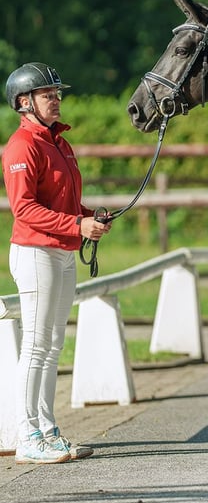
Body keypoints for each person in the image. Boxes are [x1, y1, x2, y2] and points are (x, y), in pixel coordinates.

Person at [2, 62, 111, 464]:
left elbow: (62, 202)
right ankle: (27, 434)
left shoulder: (59, 143)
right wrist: (76, 224)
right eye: (49, 95)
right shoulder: (22, 146)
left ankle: (47, 429)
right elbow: (24, 209)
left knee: (52, 347)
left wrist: (88, 217)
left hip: (63, 252)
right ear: (24, 102)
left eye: (57, 94)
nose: (57, 100)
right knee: (35, 345)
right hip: (35, 252)